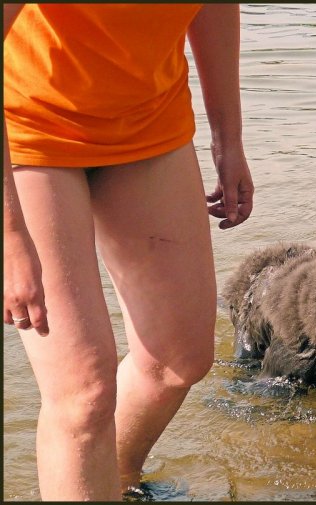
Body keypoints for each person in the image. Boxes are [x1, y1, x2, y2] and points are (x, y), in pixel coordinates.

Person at [3, 4, 253, 500]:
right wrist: (10, 237)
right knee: (83, 394)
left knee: (178, 360)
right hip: (27, 135)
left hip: (149, 125)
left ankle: (111, 478)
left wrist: (228, 141)